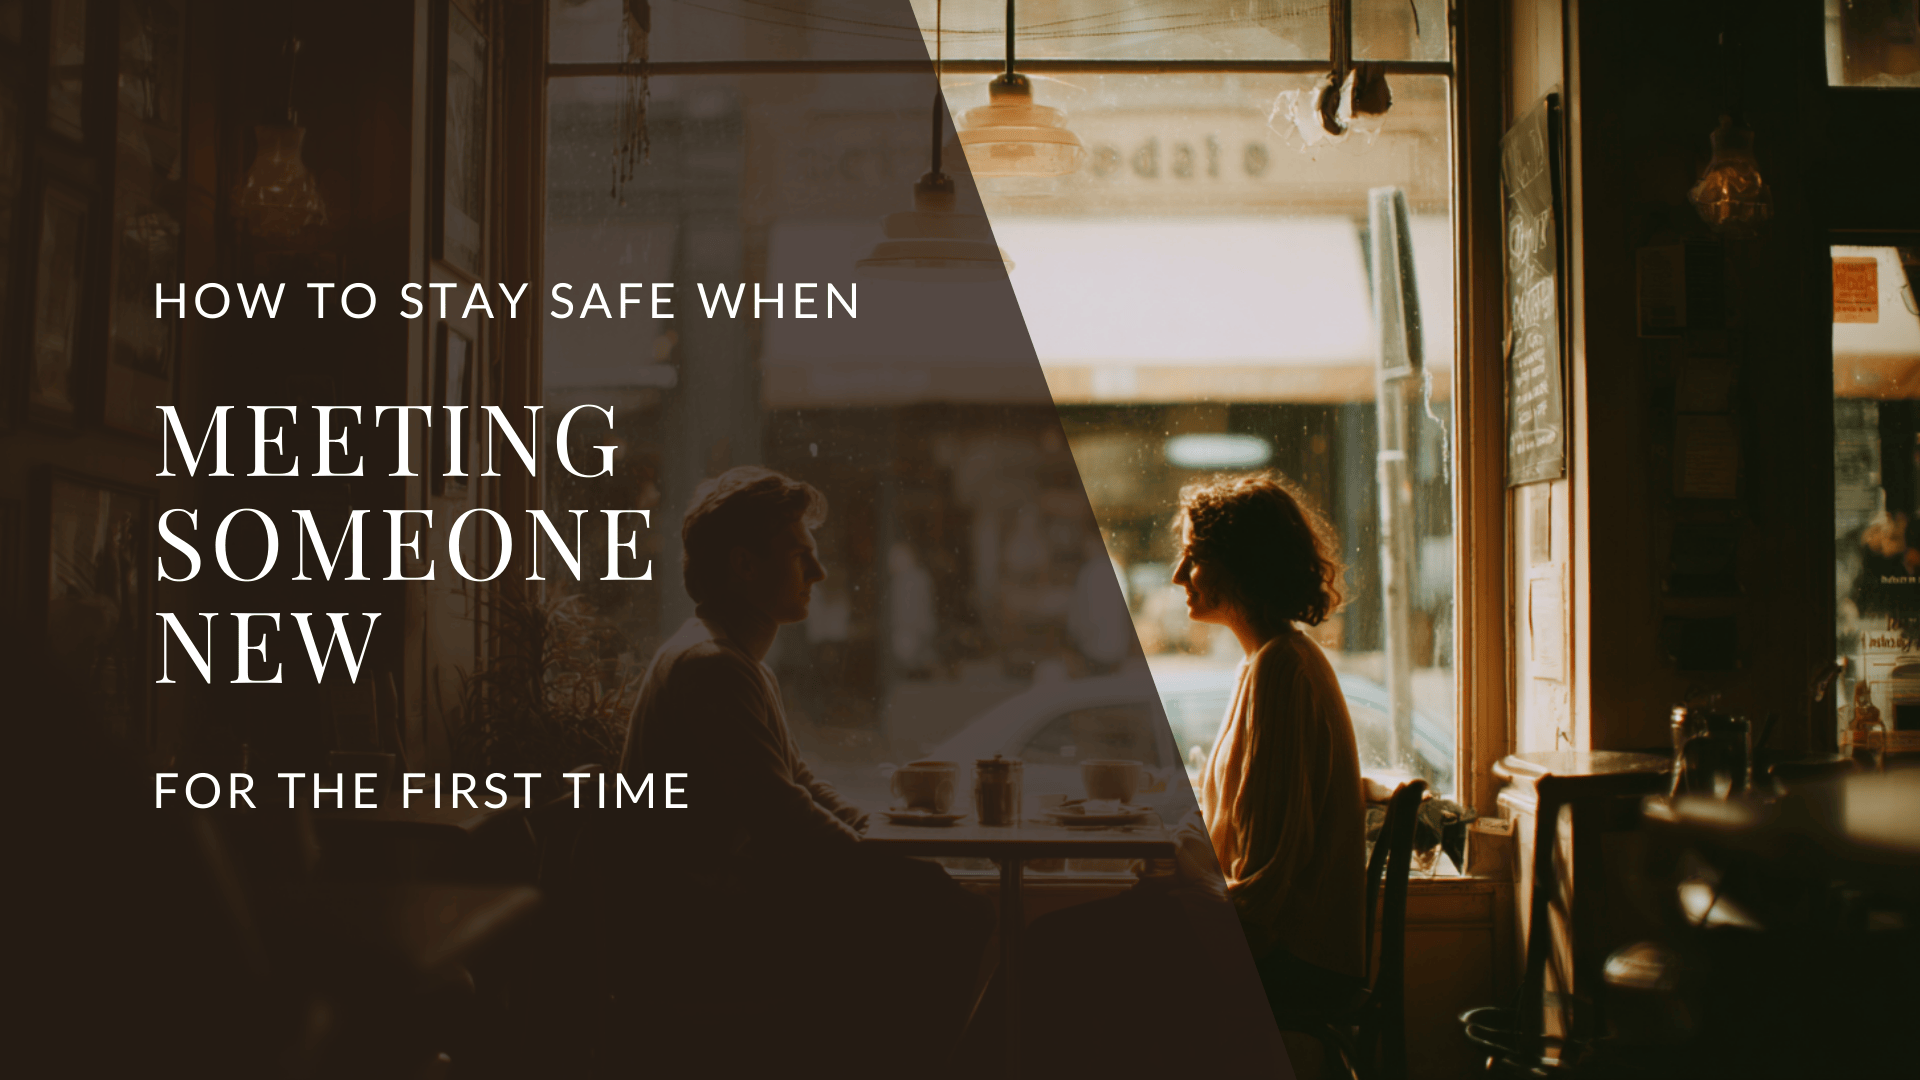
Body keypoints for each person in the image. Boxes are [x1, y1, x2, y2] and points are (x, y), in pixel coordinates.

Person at [604, 466, 991, 1073]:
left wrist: (881, 840)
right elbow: (782, 815)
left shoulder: (730, 659)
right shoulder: (713, 666)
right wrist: (886, 866)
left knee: (934, 902)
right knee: (952, 917)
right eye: (800, 555)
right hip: (702, 934)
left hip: (712, 915)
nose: (820, 572)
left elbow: (800, 785)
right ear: (744, 565)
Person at [1174, 472, 1369, 1064]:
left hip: (1292, 963)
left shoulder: (1283, 671)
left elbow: (1262, 889)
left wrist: (1176, 873)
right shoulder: (1266, 663)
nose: (1179, 576)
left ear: (1242, 564)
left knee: (1053, 952)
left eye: (1194, 557)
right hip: (1279, 949)